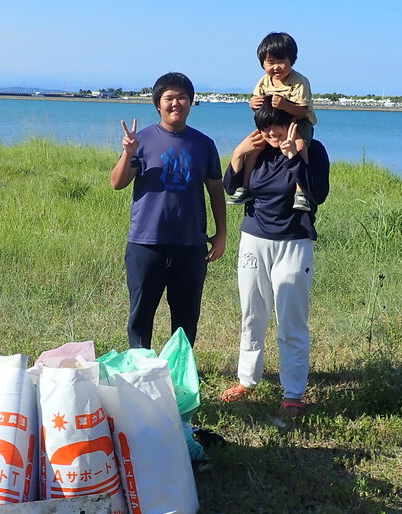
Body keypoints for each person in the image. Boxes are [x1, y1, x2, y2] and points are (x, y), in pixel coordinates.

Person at [219, 105, 330, 423]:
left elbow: (317, 193)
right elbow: (232, 188)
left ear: (292, 123)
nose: (271, 133)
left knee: (291, 321)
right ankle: (246, 380)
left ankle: (293, 394)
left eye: (277, 125)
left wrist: (293, 156)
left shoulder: (312, 149)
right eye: (264, 127)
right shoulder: (258, 150)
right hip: (254, 239)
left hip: (294, 242)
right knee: (252, 314)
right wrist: (239, 153)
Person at [110, 72, 228, 349]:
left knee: (186, 317)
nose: (176, 103)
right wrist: (128, 152)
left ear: (191, 102)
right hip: (146, 242)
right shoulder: (142, 140)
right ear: (158, 104)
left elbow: (215, 190)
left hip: (190, 244)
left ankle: (179, 368)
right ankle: (141, 367)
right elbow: (117, 183)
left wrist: (221, 234)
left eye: (182, 97)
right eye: (169, 98)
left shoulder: (203, 144)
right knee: (141, 314)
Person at [229, 32, 317, 213]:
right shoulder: (264, 81)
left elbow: (303, 111)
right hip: (271, 124)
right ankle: (244, 187)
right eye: (270, 62)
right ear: (262, 64)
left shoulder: (299, 82)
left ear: (292, 60)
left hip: (299, 123)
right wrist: (253, 104)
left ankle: (301, 191)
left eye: (281, 61)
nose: (276, 67)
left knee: (300, 145)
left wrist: (285, 105)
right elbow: (259, 105)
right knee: (254, 147)